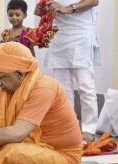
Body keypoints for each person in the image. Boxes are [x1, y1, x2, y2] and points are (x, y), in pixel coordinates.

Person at [35, 0, 100, 141]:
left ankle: (89, 128)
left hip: (81, 34)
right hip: (60, 36)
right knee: (63, 89)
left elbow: (94, 1)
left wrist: (69, 8)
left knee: (85, 86)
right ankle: (70, 125)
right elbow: (44, 8)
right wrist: (41, 9)